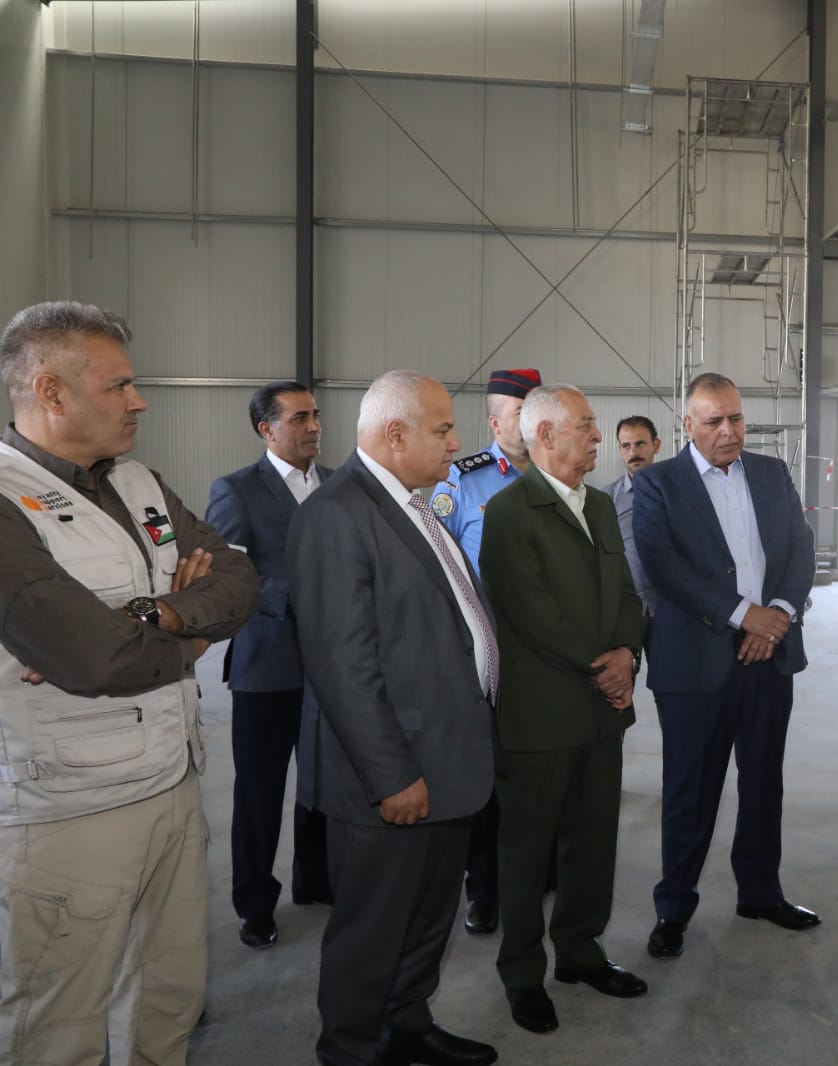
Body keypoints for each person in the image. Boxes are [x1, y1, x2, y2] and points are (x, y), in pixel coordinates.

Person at [0, 300, 257, 1063]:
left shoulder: (139, 482)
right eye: (119, 386)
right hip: (70, 812)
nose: (138, 401)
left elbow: (240, 580)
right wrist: (190, 633)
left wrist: (158, 615)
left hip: (174, 784)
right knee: (57, 1026)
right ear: (50, 391)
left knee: (166, 1000)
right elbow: (95, 659)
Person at [289, 370, 498, 1066]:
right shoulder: (337, 514)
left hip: (447, 761)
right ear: (396, 434)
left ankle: (407, 1022)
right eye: (443, 429)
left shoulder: (414, 505)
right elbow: (342, 667)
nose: (455, 442)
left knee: (428, 917)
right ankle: (350, 1048)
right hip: (392, 775)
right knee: (372, 930)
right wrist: (391, 776)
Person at [478, 384, 647, 1035]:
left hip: (602, 711)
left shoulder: (600, 505)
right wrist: (604, 667)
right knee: (526, 852)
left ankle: (579, 950)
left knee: (593, 842)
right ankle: (522, 973)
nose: (598, 436)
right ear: (545, 434)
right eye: (586, 425)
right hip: (541, 714)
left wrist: (627, 653)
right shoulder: (508, 511)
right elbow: (530, 614)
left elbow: (627, 593)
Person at [633, 371, 818, 960]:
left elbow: (801, 548)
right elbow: (665, 567)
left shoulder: (771, 473)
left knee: (763, 781)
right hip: (696, 665)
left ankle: (760, 892)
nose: (728, 431)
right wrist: (744, 616)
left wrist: (778, 615)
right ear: (687, 425)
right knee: (690, 790)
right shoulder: (658, 484)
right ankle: (674, 908)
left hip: (769, 656)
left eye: (735, 418)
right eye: (713, 421)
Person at [206, 381, 335, 950]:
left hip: (333, 666)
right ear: (267, 429)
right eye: (300, 417)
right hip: (267, 665)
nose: (314, 426)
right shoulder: (236, 491)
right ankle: (255, 903)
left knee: (324, 780)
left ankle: (317, 880)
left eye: (315, 415)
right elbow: (227, 579)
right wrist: (301, 593)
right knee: (259, 791)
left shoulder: (337, 485)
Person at [429, 366, 541, 937]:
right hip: (491, 654)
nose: (532, 422)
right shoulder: (463, 480)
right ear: (496, 423)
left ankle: (538, 874)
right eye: (521, 413)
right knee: (490, 781)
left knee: (541, 773)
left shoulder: (559, 472)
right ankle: (484, 890)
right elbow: (440, 566)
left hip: (549, 656)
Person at [601, 414, 662, 620]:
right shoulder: (605, 500)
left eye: (640, 444)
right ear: (620, 450)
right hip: (626, 609)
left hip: (672, 608)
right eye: (626, 446)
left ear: (656, 445)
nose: (633, 452)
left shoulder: (678, 493)